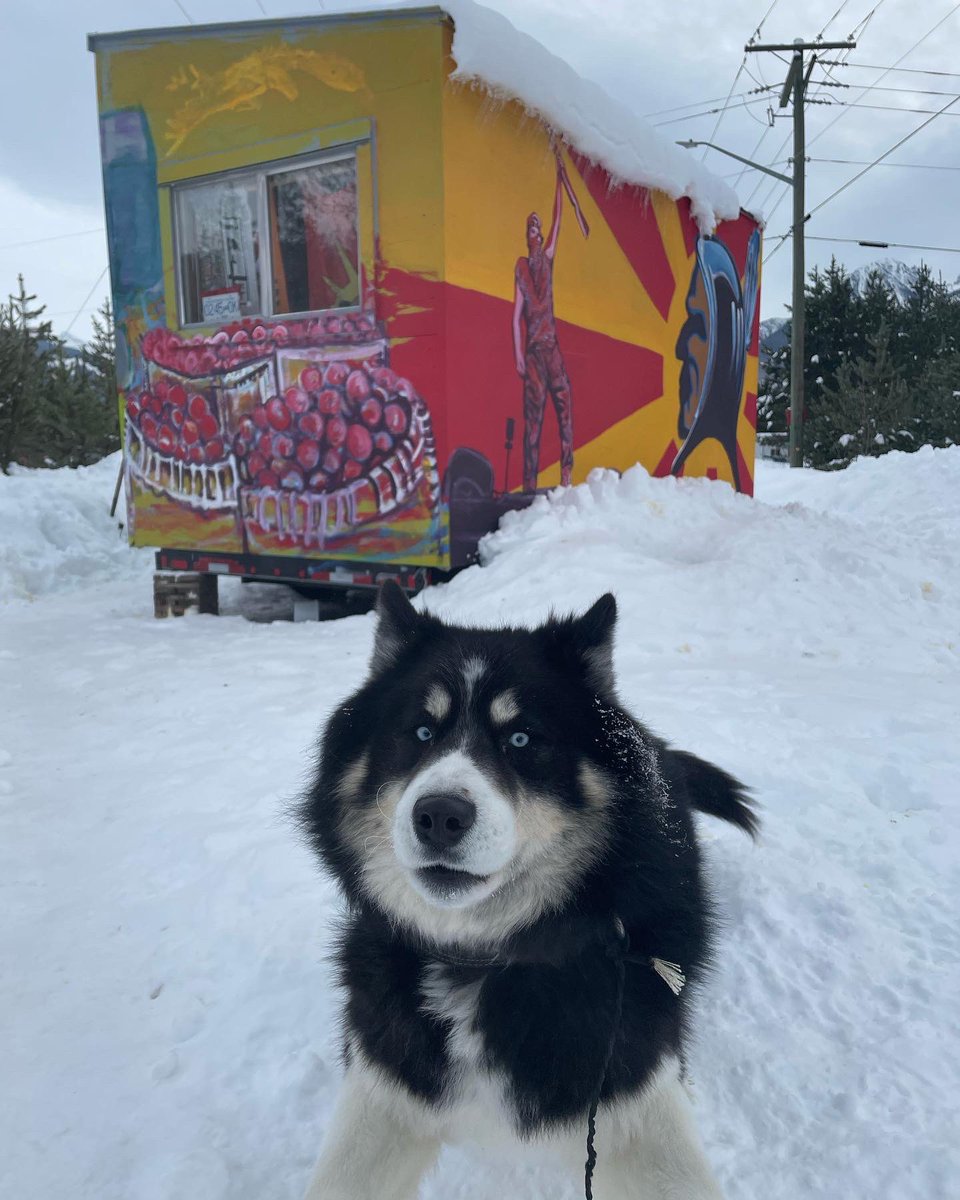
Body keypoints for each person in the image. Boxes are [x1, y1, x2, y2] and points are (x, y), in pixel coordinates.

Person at [512, 154, 587, 491]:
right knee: (533, 422)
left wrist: (559, 181)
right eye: (532, 226)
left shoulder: (548, 261)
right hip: (533, 354)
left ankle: (567, 472)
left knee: (565, 407)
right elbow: (516, 317)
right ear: (526, 235)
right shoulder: (522, 268)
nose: (537, 231)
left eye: (538, 227)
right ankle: (529, 484)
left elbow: (559, 220)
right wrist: (517, 356)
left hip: (551, 349)